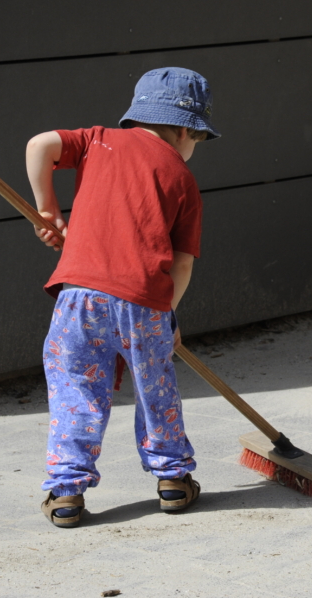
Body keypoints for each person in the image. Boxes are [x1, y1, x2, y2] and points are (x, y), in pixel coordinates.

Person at [25, 68, 219, 528]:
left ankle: (66, 492)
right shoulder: (183, 179)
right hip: (143, 303)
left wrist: (46, 208)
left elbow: (40, 145)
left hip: (79, 298)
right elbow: (182, 264)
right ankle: (173, 480)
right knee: (156, 390)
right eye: (198, 139)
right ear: (185, 130)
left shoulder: (98, 141)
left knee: (75, 389)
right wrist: (167, 315)